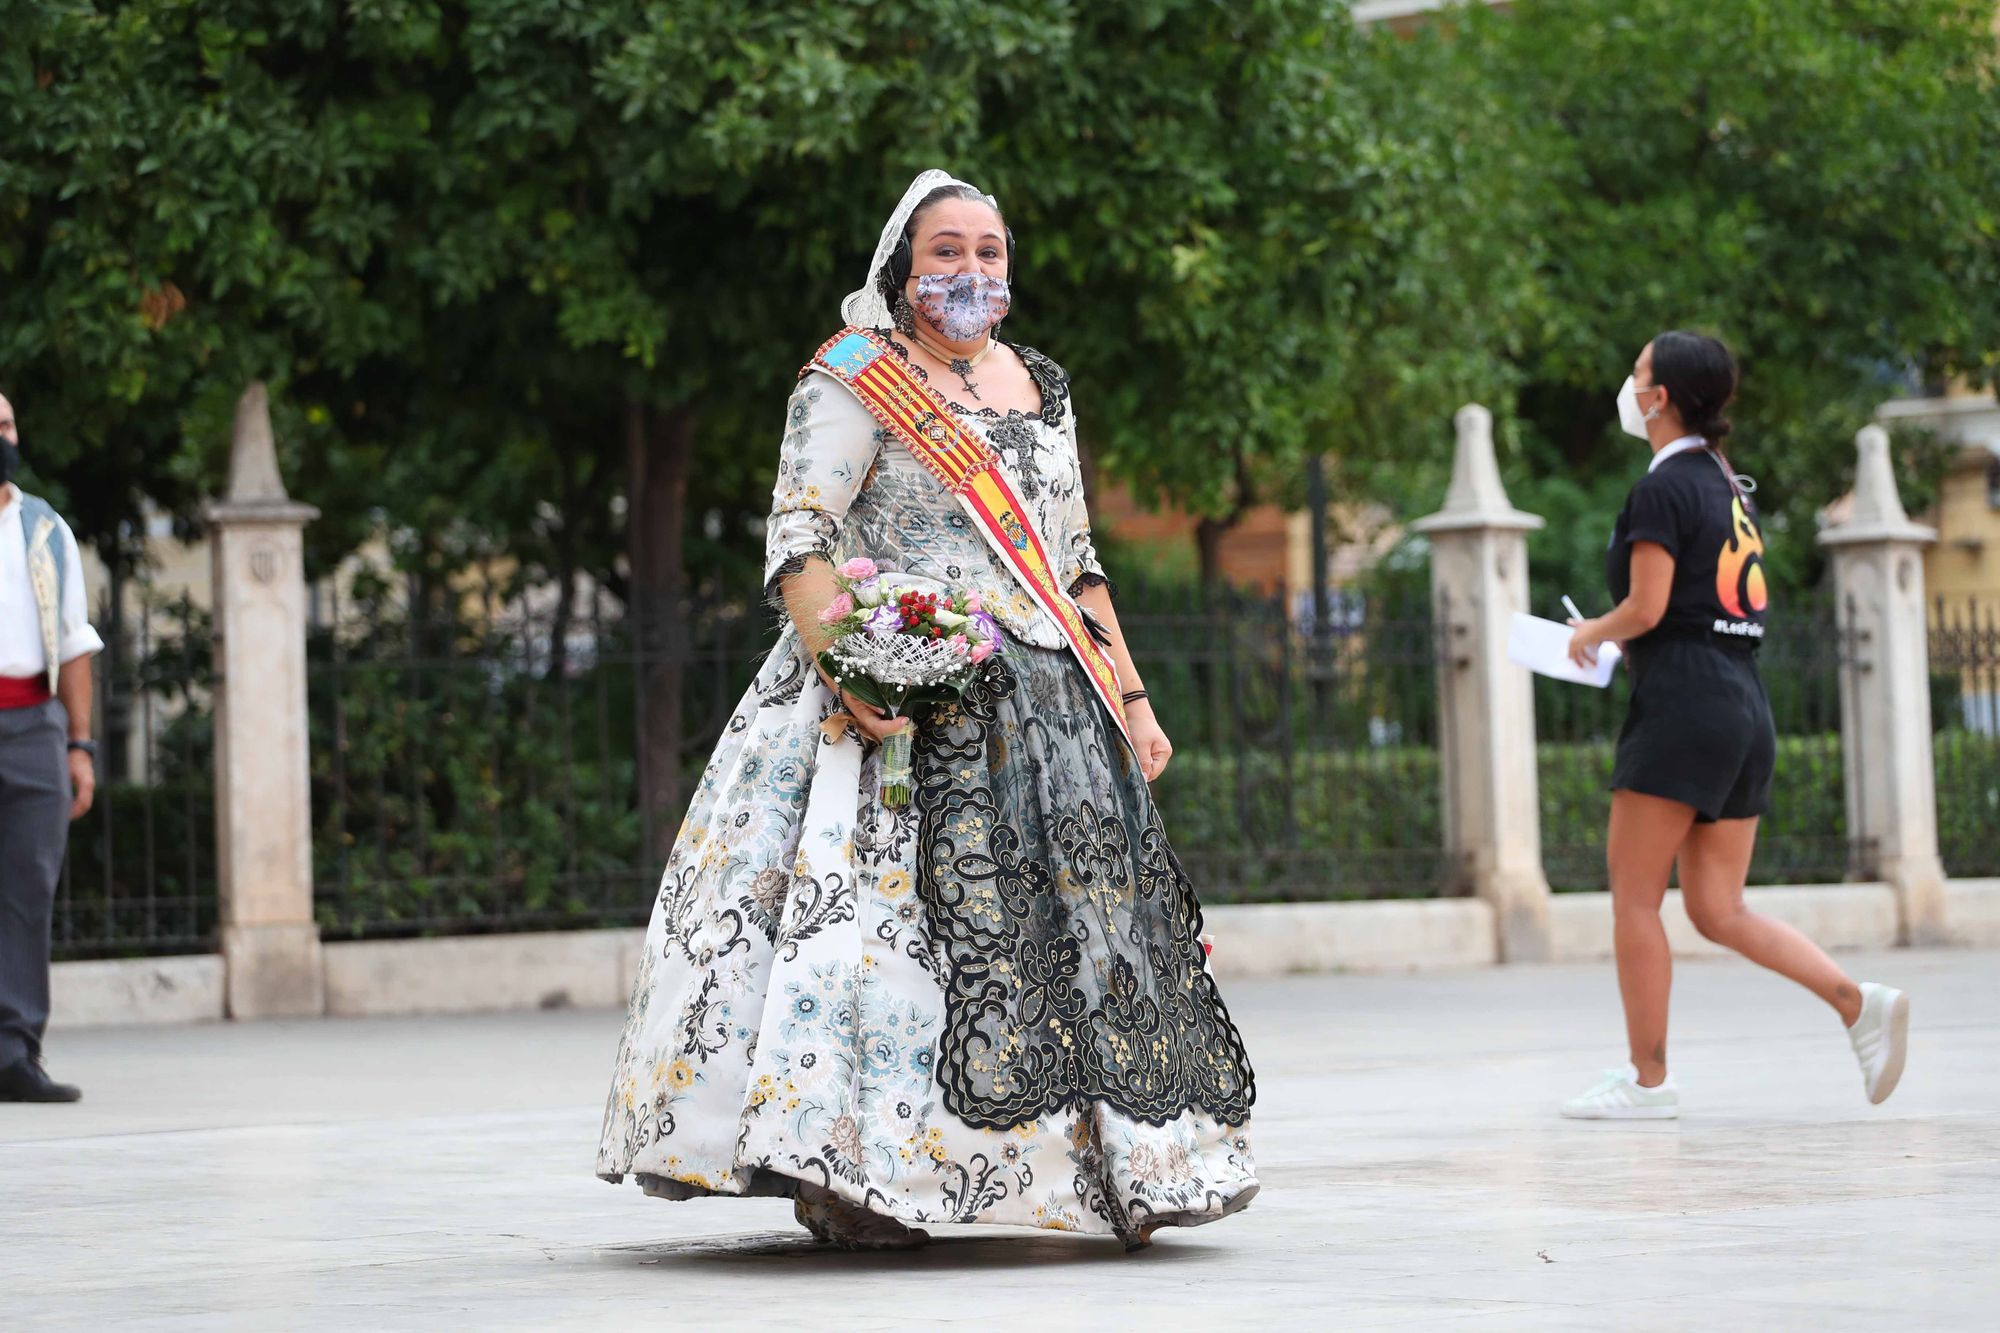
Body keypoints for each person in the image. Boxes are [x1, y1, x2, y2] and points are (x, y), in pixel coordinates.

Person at [596, 171, 1257, 1249]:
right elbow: (800, 539)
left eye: (989, 251)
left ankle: (1139, 1166)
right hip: (904, 692)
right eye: (946, 250)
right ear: (902, 268)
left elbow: (1074, 562)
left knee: (1069, 942)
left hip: (1050, 699)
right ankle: (856, 1177)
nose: (971, 270)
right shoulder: (855, 378)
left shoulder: (1040, 383)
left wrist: (1130, 698)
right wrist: (852, 674)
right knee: (885, 945)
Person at [1559, 332, 1908, 1120]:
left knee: (1636, 899)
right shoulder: (1725, 484)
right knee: (1718, 906)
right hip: (1743, 701)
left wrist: (1589, 634)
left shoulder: (1662, 489)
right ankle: (1859, 1002)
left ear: (1664, 397)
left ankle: (1648, 1083)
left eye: (1640, 372)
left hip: (1683, 703)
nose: (1630, 383)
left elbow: (1647, 609)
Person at [0, 388, 102, 1104]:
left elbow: (74, 644)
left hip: (35, 723)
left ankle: (14, 1050)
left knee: (29, 890)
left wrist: (81, 744)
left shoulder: (45, 529)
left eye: (4, 422)